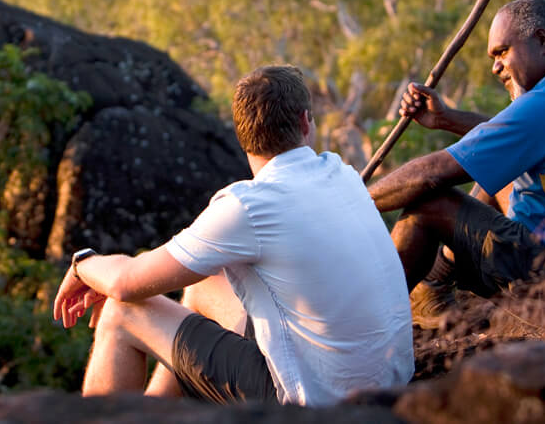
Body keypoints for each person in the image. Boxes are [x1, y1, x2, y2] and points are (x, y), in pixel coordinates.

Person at [53, 65, 413, 406]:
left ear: (241, 135)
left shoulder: (248, 206)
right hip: (388, 382)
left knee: (121, 312)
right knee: (202, 283)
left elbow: (125, 285)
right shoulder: (341, 172)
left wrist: (84, 263)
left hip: (314, 405)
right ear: (305, 122)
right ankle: (156, 413)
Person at [368, 0, 545, 324]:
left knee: (429, 200)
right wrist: (447, 119)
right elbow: (518, 139)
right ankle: (438, 283)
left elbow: (430, 175)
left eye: (502, 52)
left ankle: (375, 324)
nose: (495, 67)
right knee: (497, 167)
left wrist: (349, 200)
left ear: (543, 41)